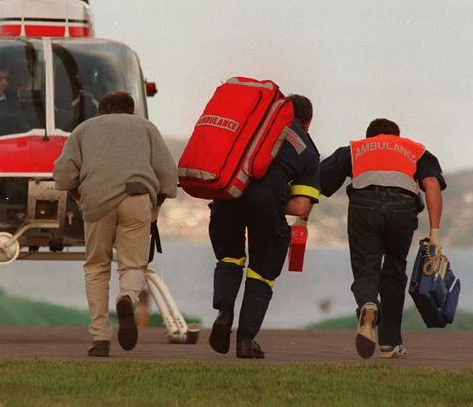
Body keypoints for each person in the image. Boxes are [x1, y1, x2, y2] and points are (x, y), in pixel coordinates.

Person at [52, 91, 177, 357]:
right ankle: (128, 298)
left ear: (101, 111)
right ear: (131, 111)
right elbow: (168, 173)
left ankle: (100, 339)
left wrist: (80, 198)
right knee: (133, 265)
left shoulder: (83, 129)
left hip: (97, 200)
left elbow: (63, 176)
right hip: (137, 197)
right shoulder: (145, 127)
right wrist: (155, 206)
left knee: (96, 267)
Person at [320, 118, 446, 359]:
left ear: (370, 137)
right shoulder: (414, 149)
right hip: (403, 207)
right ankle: (390, 343)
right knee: (395, 270)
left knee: (366, 269)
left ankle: (368, 304)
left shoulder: (356, 148)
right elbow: (431, 184)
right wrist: (435, 233)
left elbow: (317, 179)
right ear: (397, 137)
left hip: (364, 206)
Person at [208, 94, 320, 359]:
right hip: (268, 201)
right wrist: (273, 199)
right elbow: (301, 207)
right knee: (262, 271)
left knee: (230, 256)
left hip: (229, 194)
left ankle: (224, 311)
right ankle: (246, 340)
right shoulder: (308, 149)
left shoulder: (253, 124)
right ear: (308, 123)